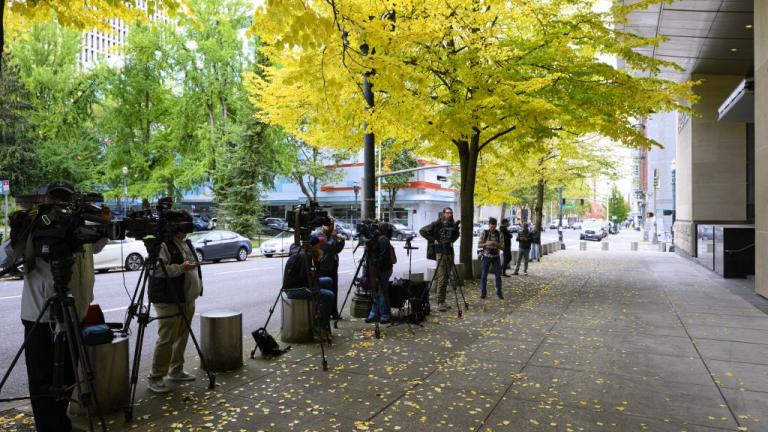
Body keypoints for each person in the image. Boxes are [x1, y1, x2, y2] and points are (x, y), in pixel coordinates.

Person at [0, 180, 107, 432]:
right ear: (47, 199)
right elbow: (5, 256)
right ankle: (48, 427)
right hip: (40, 315)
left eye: (66, 198)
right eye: (57, 198)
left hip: (72, 312)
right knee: (41, 379)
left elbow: (100, 244)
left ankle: (61, 423)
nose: (62, 203)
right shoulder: (35, 224)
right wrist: (27, 234)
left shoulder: (76, 226)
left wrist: (101, 221)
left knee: (69, 376)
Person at [147, 210, 202, 394]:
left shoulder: (185, 242)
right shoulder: (163, 244)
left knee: (182, 335)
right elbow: (156, 271)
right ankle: (155, 377)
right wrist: (181, 268)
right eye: (184, 224)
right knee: (167, 338)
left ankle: (176, 369)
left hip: (186, 298)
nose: (187, 229)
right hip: (169, 299)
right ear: (173, 225)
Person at [282, 235, 335, 333]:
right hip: (296, 289)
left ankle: (322, 311)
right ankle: (320, 325)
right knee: (329, 295)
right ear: (313, 247)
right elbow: (306, 280)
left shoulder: (307, 254)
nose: (320, 248)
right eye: (319, 246)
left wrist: (317, 260)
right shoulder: (305, 256)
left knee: (328, 280)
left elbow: (313, 275)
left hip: (303, 283)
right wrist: (317, 289)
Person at [419, 207, 460, 312]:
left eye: (451, 213)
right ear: (443, 214)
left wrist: (452, 239)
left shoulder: (452, 224)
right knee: (442, 277)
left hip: (449, 251)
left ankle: (443, 300)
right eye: (447, 213)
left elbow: (456, 235)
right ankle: (440, 301)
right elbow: (422, 231)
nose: (450, 215)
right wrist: (434, 240)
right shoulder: (436, 224)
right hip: (440, 252)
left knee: (446, 277)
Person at [316, 218, 345, 319]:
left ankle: (334, 312)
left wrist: (341, 241)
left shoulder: (332, 234)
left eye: (332, 224)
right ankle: (325, 313)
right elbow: (328, 246)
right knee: (326, 290)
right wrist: (334, 238)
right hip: (324, 267)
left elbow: (337, 249)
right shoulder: (319, 234)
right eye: (329, 224)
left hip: (333, 265)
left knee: (334, 289)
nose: (331, 226)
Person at [366, 223, 395, 324]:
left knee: (381, 291)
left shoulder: (384, 240)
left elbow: (383, 257)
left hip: (383, 269)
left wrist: (376, 264)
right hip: (377, 268)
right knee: (376, 291)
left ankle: (383, 315)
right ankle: (376, 314)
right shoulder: (378, 239)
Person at [478, 217, 504, 299]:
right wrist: (486, 244)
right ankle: (483, 292)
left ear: (496, 225)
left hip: (496, 256)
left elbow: (503, 248)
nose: (492, 228)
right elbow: (479, 245)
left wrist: (496, 244)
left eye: (494, 226)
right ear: (488, 225)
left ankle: (499, 292)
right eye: (491, 226)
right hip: (486, 256)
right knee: (484, 275)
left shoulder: (500, 234)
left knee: (498, 275)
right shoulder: (484, 233)